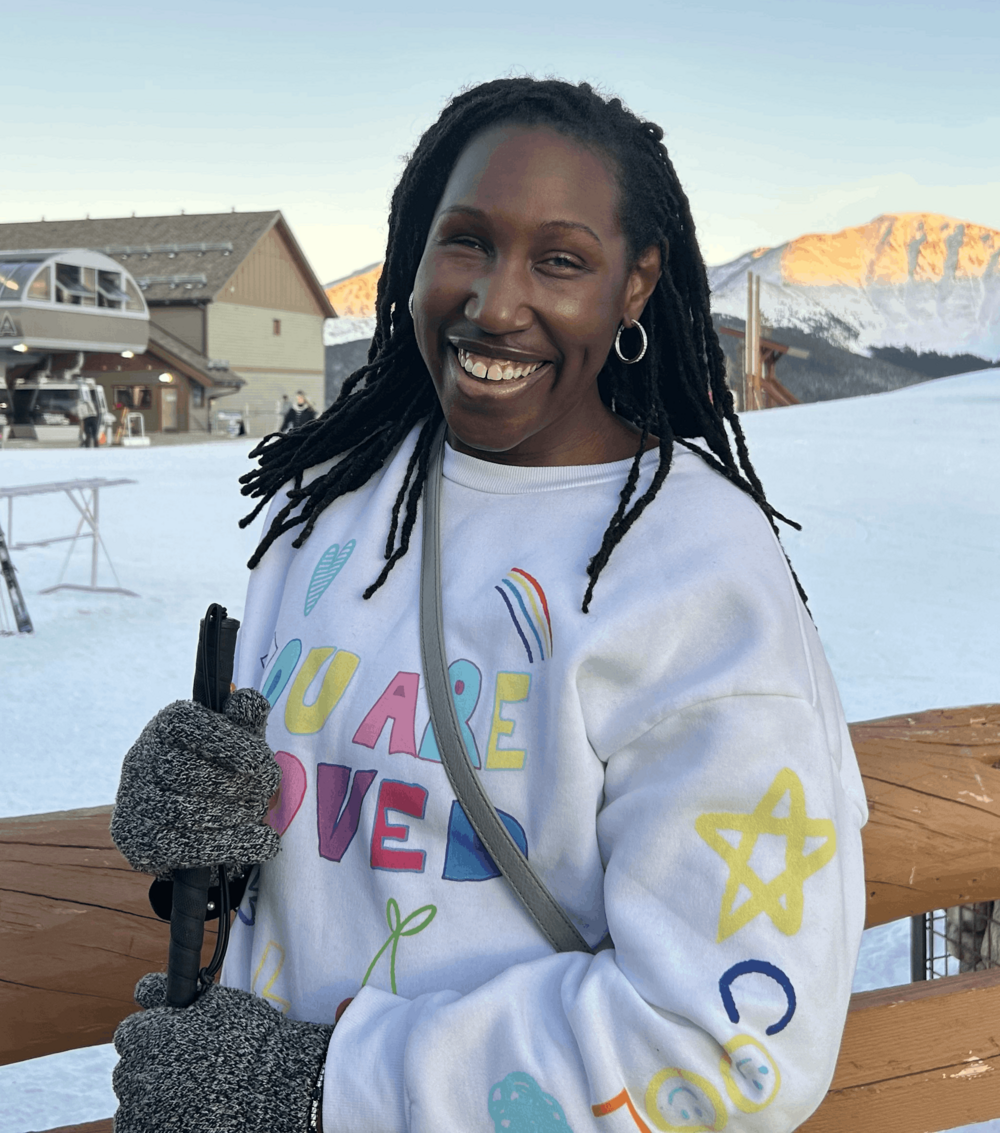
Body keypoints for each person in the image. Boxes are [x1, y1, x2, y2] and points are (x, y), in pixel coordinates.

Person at [110, 78, 868, 1133]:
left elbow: (729, 1042)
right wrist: (211, 835)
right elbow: (336, 849)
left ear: (635, 284)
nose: (497, 304)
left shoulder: (693, 568)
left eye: (560, 260)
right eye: (465, 242)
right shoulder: (329, 507)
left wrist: (320, 1088)